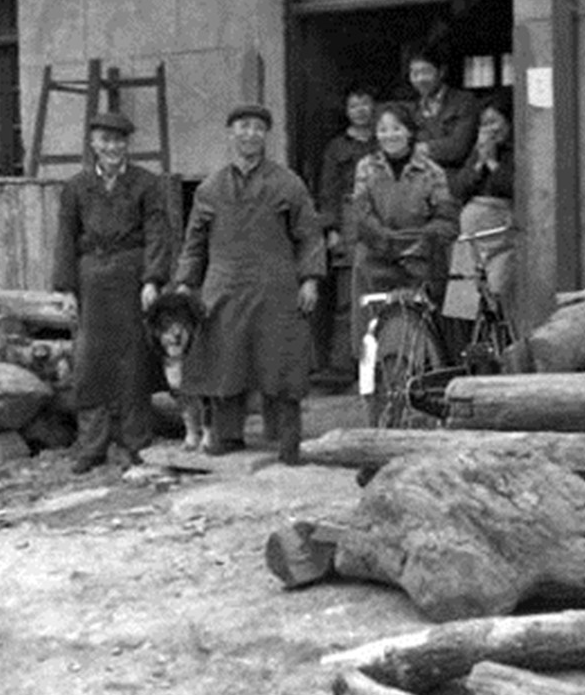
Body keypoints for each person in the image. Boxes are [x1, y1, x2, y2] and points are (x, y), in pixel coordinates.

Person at [174, 104, 326, 465]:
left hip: (276, 286)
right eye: (243, 126)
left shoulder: (288, 183)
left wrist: (310, 279)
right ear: (231, 133)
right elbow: (194, 242)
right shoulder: (210, 188)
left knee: (281, 361)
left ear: (265, 135)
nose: (250, 134)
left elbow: (308, 235)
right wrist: (185, 283)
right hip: (224, 285)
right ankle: (227, 436)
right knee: (225, 359)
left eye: (258, 128)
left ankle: (287, 440)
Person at [52, 110, 171, 474]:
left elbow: (158, 234)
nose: (112, 147)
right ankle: (92, 446)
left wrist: (152, 280)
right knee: (90, 363)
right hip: (91, 280)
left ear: (127, 145)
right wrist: (66, 289)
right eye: (105, 140)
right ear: (93, 144)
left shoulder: (146, 184)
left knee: (134, 360)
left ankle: (137, 442)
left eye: (119, 141)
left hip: (131, 278)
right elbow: (65, 239)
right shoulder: (76, 187)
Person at [350, 101, 459, 355]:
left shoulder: (432, 172)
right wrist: (384, 240)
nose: (390, 135)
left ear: (409, 132)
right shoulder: (366, 167)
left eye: (396, 128)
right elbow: (361, 214)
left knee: (430, 327)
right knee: (370, 332)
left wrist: (420, 244)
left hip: (420, 258)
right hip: (375, 256)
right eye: (383, 130)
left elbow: (446, 219)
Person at [315, 87, 376, 378]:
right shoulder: (336, 147)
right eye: (353, 105)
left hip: (379, 213)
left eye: (365, 103)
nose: (360, 110)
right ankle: (342, 365)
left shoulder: (385, 138)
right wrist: (331, 228)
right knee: (347, 296)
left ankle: (377, 365)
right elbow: (328, 189)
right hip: (348, 219)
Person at [443, 89, 516, 330]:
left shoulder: (516, 152)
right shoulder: (478, 152)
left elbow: (514, 187)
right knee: (463, 301)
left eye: (494, 122)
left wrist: (493, 163)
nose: (489, 130)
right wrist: (479, 164)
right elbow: (458, 189)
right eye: (484, 124)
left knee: (497, 297)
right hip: (470, 240)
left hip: (500, 238)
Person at [408, 37, 479, 186]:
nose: (420, 79)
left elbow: (458, 148)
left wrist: (420, 148)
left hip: (455, 183)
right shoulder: (412, 108)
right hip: (418, 185)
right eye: (414, 73)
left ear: (441, 72)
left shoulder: (464, 101)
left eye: (426, 72)